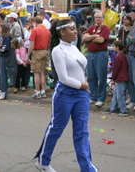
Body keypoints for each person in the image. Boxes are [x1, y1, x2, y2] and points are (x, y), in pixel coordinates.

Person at [34, 19, 98, 172]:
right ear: (62, 32)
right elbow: (63, 78)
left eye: (76, 29)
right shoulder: (57, 50)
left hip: (81, 95)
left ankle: (86, 167)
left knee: (82, 130)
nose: (76, 31)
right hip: (65, 94)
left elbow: (80, 69)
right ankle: (43, 162)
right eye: (72, 29)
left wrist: (84, 81)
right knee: (56, 128)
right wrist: (82, 85)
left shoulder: (75, 47)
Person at [82, 10, 110, 107]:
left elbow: (101, 40)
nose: (97, 19)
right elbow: (84, 38)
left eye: (99, 17)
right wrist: (94, 36)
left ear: (103, 18)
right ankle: (93, 97)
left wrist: (90, 37)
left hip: (101, 54)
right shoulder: (91, 28)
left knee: (101, 77)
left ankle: (101, 98)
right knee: (91, 76)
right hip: (90, 54)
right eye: (96, 17)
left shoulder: (105, 28)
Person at [28, 16, 51, 99]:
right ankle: (43, 91)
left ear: (35, 22)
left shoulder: (35, 30)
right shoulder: (47, 31)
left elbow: (31, 44)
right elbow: (48, 43)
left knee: (36, 73)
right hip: (45, 51)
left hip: (37, 52)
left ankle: (38, 92)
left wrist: (28, 55)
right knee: (42, 72)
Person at [104, 40, 129, 116]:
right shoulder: (123, 56)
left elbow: (115, 69)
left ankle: (123, 110)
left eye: (114, 46)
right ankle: (113, 107)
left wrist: (113, 79)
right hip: (123, 77)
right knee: (116, 94)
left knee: (120, 95)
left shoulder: (118, 57)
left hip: (119, 78)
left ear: (117, 47)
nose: (113, 48)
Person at [0, 23, 12, 100]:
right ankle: (4, 89)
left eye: (0, 28)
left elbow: (5, 47)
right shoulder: (4, 37)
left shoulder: (6, 37)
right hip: (3, 56)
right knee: (2, 73)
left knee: (3, 73)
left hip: (4, 56)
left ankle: (3, 91)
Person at [24, 18, 35, 88]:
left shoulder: (35, 30)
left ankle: (34, 83)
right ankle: (26, 83)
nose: (30, 25)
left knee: (33, 67)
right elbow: (25, 39)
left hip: (33, 49)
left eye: (32, 23)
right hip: (26, 48)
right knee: (26, 66)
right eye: (29, 23)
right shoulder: (26, 31)